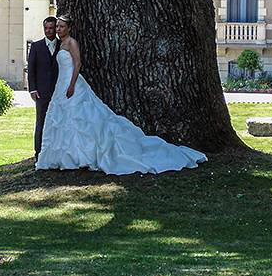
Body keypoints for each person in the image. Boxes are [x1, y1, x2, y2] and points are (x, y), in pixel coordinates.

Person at [35, 15, 207, 175]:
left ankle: (83, 155)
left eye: (61, 26)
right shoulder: (60, 44)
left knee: (81, 118)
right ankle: (67, 155)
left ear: (69, 28)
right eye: (57, 26)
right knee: (62, 120)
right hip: (61, 85)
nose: (58, 29)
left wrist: (72, 85)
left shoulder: (72, 43)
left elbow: (77, 63)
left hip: (72, 83)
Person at [27, 16, 61, 162]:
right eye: (46, 28)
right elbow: (31, 69)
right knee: (41, 122)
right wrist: (32, 89)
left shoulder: (63, 45)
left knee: (59, 122)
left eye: (51, 28)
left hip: (60, 92)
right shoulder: (36, 46)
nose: (49, 31)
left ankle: (56, 152)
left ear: (56, 29)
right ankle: (38, 153)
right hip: (41, 92)